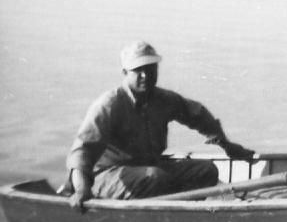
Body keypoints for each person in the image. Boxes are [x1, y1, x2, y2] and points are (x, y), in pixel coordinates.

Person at [65, 41, 257, 212]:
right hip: (107, 177)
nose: (145, 76)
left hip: (151, 171)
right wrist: (81, 189)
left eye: (150, 69)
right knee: (154, 178)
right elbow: (83, 150)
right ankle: (155, 215)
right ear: (125, 73)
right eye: (138, 71)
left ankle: (179, 213)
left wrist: (226, 145)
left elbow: (199, 116)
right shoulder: (110, 104)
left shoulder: (164, 99)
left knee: (207, 170)